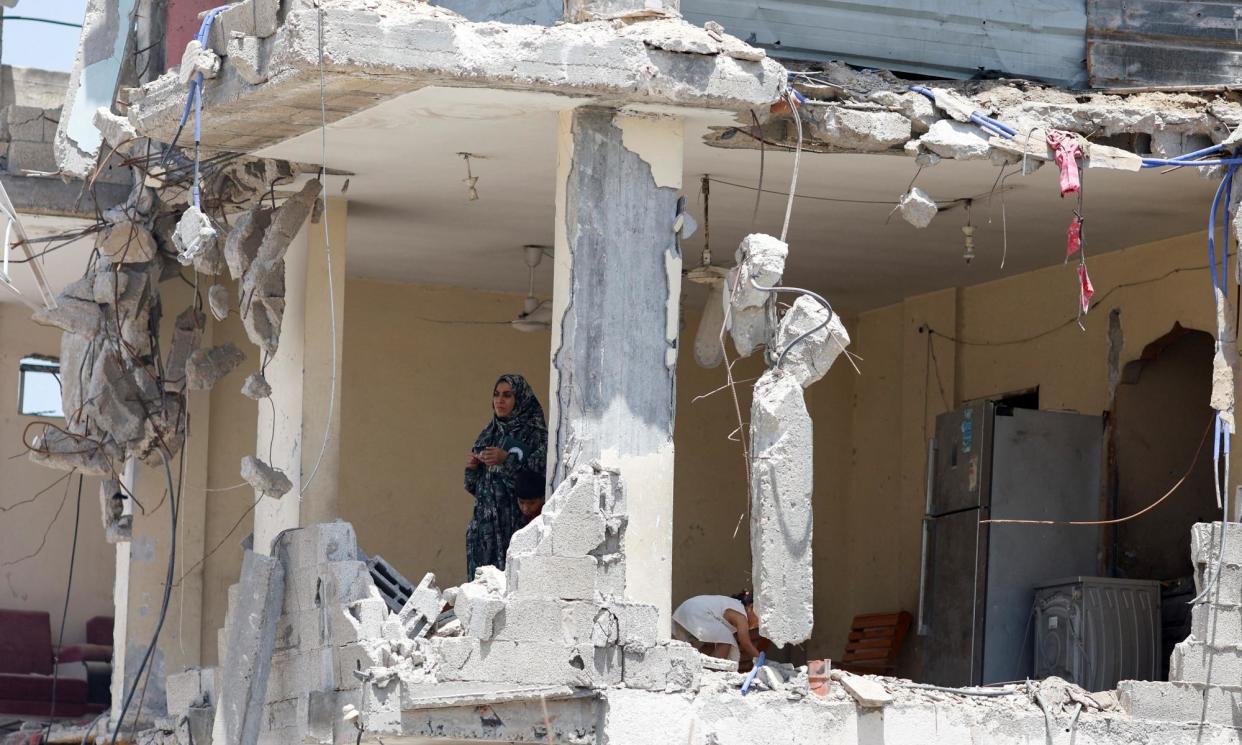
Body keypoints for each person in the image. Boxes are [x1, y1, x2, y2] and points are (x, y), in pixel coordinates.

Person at [464, 374, 547, 577]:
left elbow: (536, 480)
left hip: (514, 524)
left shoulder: (535, 434)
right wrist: (472, 469)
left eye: (507, 395)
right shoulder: (489, 433)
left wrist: (506, 459)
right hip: (484, 530)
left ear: (520, 399)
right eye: (496, 395)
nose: (500, 400)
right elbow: (474, 487)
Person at [672, 591, 762, 662]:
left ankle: (699, 666)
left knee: (712, 644)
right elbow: (745, 642)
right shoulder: (741, 616)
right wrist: (761, 661)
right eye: (759, 620)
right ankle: (714, 670)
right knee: (726, 639)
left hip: (685, 609)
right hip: (696, 611)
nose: (758, 624)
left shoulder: (735, 606)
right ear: (751, 608)